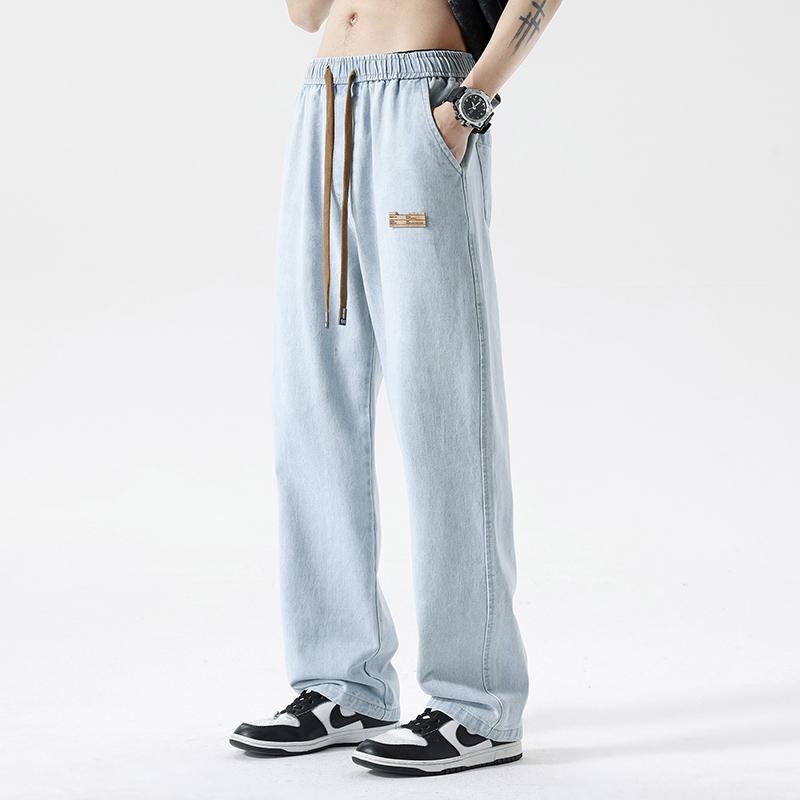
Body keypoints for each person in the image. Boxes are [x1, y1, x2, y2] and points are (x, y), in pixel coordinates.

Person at [230, 0, 562, 776]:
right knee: (313, 406)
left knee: (443, 407)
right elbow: (305, 14)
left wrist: (469, 104)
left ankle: (477, 701)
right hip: (326, 102)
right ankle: (341, 681)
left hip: (424, 102)